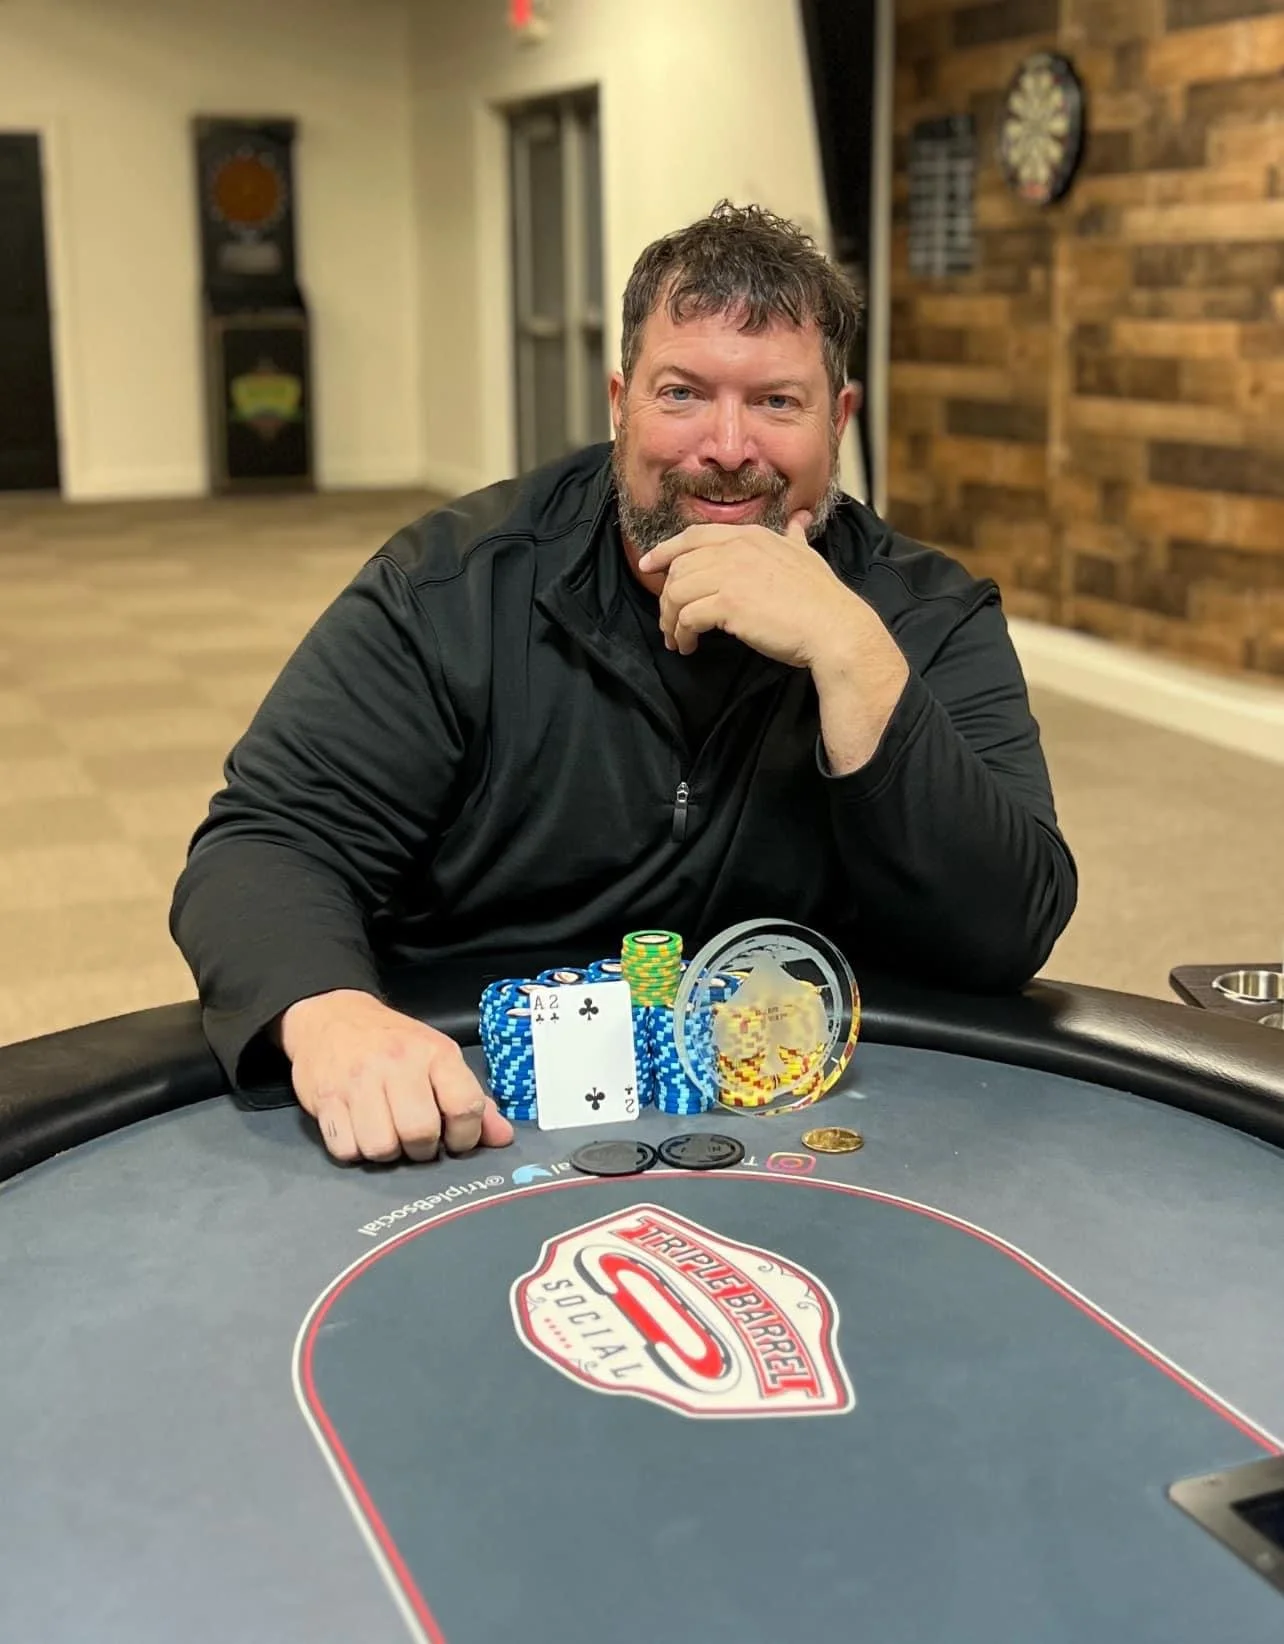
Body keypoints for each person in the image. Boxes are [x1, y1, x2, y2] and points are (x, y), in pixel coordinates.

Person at [170, 201, 1077, 1167]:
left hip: (782, 1117)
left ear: (839, 421)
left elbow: (1006, 935)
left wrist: (854, 659)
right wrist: (332, 1015)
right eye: (682, 394)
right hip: (470, 1114)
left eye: (777, 402)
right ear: (619, 405)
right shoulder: (455, 587)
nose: (727, 448)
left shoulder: (922, 617)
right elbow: (267, 840)